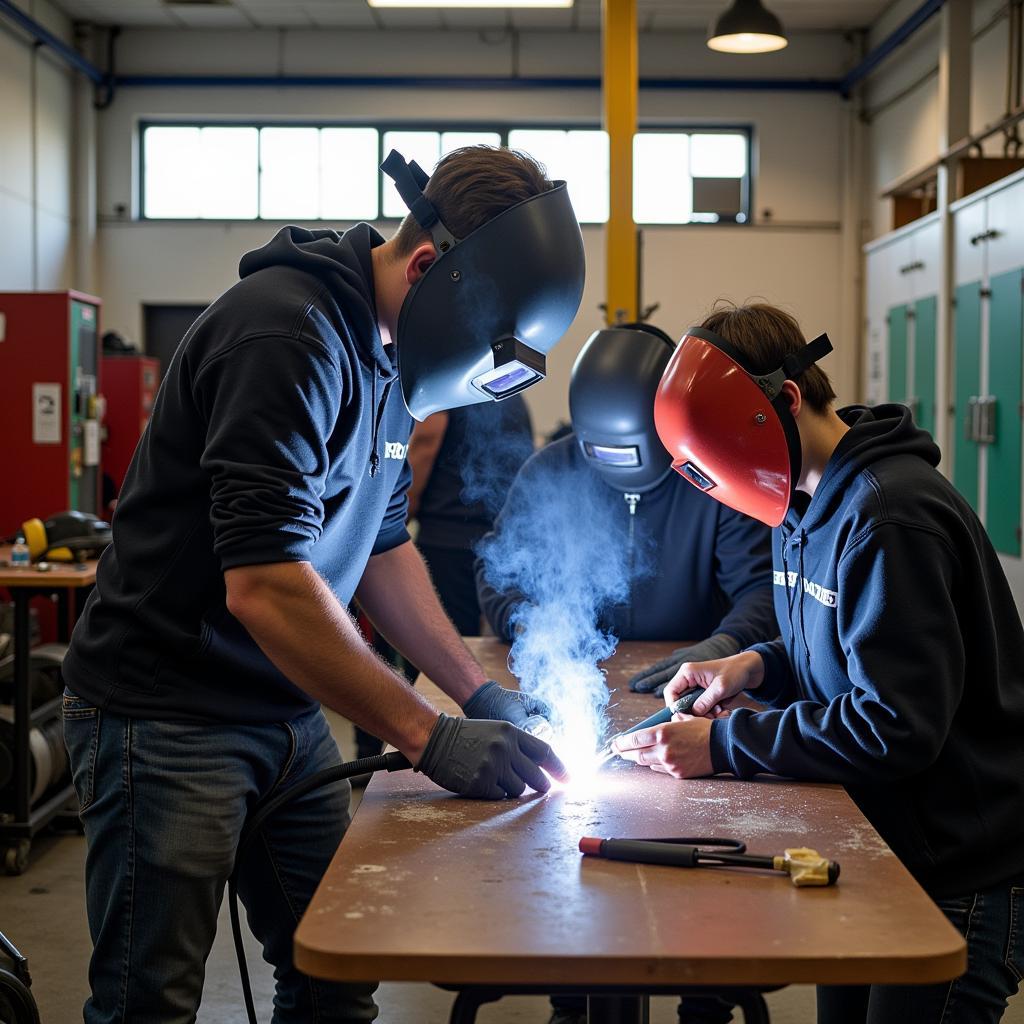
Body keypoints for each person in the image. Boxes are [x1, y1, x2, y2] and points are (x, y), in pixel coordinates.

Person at [61, 145, 585, 1024]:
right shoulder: (286, 335)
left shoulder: (388, 361)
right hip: (166, 715)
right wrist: (428, 736)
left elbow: (382, 551)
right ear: (425, 269)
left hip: (287, 711)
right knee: (148, 1001)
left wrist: (476, 692)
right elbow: (265, 584)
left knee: (335, 981)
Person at [617, 303, 1024, 1024]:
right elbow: (846, 646)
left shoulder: (887, 517)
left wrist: (720, 746)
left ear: (787, 401)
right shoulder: (804, 505)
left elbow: (895, 724)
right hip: (877, 846)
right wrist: (755, 666)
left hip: (955, 868)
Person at [476, 323, 777, 1024]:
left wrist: (725, 640)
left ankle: (706, 998)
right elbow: (497, 579)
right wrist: (549, 637)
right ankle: (573, 996)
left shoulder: (711, 477)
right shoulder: (548, 474)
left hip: (689, 702)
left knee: (696, 850)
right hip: (575, 688)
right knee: (572, 849)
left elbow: (762, 589)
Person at [410, 396, 534, 635]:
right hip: (502, 546)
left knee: (444, 646)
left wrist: (390, 524)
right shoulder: (513, 390)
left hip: (447, 544)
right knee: (493, 644)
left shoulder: (447, 383)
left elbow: (425, 444)